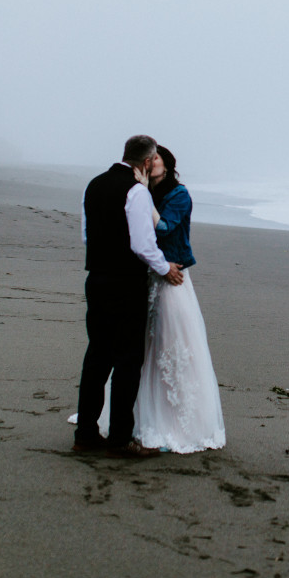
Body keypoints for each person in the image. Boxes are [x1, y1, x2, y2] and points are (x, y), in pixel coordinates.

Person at [72, 134, 183, 456]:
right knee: (128, 361)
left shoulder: (93, 184)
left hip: (96, 279)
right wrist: (165, 269)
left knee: (97, 358)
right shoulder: (136, 192)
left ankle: (85, 435)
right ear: (147, 162)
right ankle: (120, 439)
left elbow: (85, 236)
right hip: (126, 284)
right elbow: (142, 245)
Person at [131, 145, 226, 453]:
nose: (151, 163)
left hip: (173, 279)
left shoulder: (179, 195)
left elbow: (163, 227)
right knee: (145, 346)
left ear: (167, 165)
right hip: (150, 276)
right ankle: (137, 414)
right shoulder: (146, 194)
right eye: (149, 159)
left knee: (173, 347)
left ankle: (178, 420)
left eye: (156, 159)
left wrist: (144, 195)